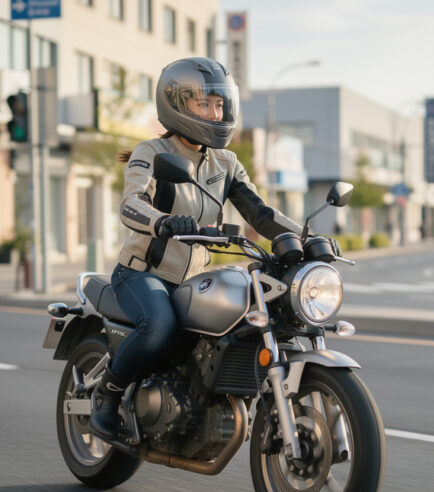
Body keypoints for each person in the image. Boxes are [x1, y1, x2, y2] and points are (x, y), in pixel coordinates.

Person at [89, 57, 303, 441]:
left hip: (193, 279)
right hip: (144, 274)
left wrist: (304, 238)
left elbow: (262, 213)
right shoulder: (151, 152)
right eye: (205, 103)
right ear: (177, 103)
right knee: (158, 326)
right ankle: (108, 394)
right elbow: (130, 203)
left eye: (220, 104)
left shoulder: (227, 162)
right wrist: (163, 221)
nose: (215, 112)